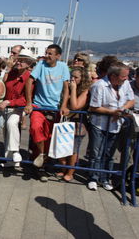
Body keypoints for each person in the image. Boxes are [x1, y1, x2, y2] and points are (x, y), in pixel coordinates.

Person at [24, 44, 70, 182]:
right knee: (36, 128)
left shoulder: (63, 67)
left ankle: (42, 167)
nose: (47, 55)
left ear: (58, 56)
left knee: (49, 137)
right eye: (46, 53)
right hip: (38, 106)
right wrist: (28, 102)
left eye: (50, 53)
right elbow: (29, 81)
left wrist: (64, 105)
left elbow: (66, 88)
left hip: (55, 108)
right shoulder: (41, 64)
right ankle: (42, 155)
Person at [87, 62, 135, 191]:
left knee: (109, 154)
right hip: (99, 124)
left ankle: (105, 178)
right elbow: (94, 107)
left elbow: (131, 100)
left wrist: (120, 110)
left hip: (116, 125)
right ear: (114, 76)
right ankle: (93, 178)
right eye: (124, 76)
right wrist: (112, 112)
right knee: (96, 153)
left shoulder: (125, 84)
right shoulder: (99, 85)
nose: (127, 79)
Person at [0, 49, 35, 166]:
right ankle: (10, 161)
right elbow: (2, 83)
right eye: (19, 60)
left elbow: (26, 99)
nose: (19, 62)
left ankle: (15, 151)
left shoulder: (30, 77)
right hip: (7, 106)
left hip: (20, 107)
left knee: (12, 123)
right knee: (6, 132)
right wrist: (8, 69)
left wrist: (9, 102)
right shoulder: (12, 72)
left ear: (29, 64)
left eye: (23, 61)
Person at [57, 67, 91, 182]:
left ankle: (70, 172)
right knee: (62, 147)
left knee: (72, 150)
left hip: (78, 124)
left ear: (82, 79)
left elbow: (75, 106)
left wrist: (74, 89)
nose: (73, 79)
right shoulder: (67, 87)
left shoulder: (85, 90)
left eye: (76, 77)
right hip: (65, 121)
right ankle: (63, 167)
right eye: (72, 77)